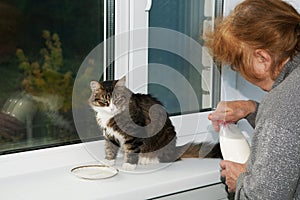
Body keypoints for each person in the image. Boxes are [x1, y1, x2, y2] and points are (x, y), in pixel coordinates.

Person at [204, 0, 300, 199]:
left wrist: (239, 180)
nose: (241, 72)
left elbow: (264, 197)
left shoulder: (282, 103)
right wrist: (251, 109)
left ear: (263, 58)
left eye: (239, 64)